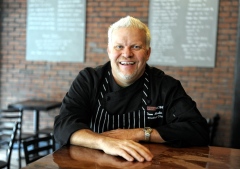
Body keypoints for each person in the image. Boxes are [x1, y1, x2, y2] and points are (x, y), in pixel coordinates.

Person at [54, 16, 209, 162]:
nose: (127, 54)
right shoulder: (89, 80)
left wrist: (140, 133)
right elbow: (63, 126)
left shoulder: (165, 85)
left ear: (148, 53)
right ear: (109, 51)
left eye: (136, 47)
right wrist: (104, 142)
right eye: (119, 46)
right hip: (94, 164)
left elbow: (197, 130)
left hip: (147, 163)